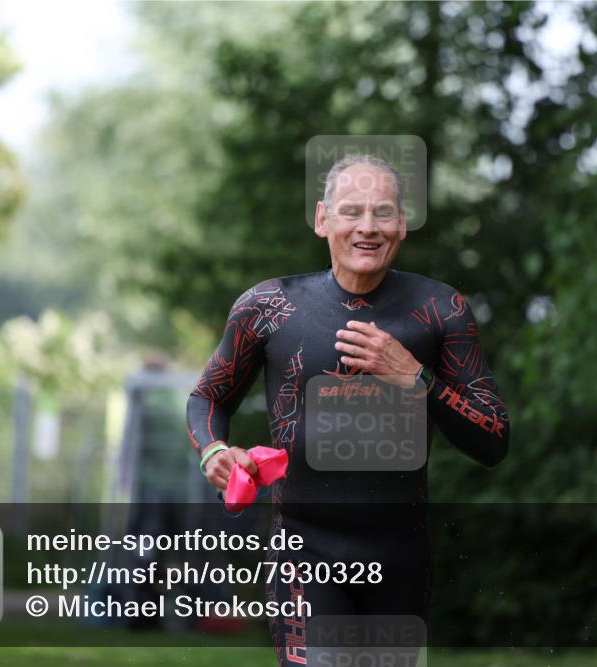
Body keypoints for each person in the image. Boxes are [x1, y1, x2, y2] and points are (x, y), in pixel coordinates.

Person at [187, 153, 510, 666]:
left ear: (402, 225)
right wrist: (214, 452)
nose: (368, 227)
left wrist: (415, 377)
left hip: (401, 558)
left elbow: (494, 440)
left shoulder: (442, 310)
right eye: (351, 211)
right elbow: (208, 397)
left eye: (383, 213)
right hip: (304, 550)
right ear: (322, 219)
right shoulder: (269, 307)